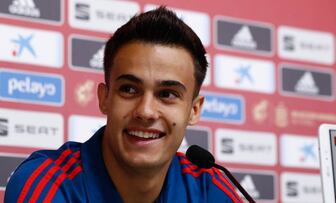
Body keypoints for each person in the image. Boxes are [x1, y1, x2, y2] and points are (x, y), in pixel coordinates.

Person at [5, 7, 243, 203]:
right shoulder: (46, 182)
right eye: (129, 89)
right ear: (104, 98)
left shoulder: (209, 188)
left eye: (167, 94)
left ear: (194, 110)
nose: (146, 111)